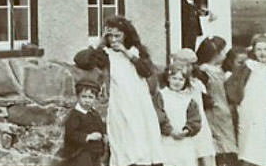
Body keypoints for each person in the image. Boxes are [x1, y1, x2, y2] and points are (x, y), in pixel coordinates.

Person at [74, 16, 164, 166]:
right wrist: (101, 42)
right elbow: (81, 59)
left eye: (118, 36)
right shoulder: (106, 54)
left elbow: (147, 71)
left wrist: (126, 53)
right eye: (110, 36)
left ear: (126, 35)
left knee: (143, 135)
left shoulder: (135, 51)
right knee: (123, 137)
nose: (114, 40)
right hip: (120, 100)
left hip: (139, 100)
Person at [225, 34, 266, 166]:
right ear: (253, 50)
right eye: (259, 49)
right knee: (249, 145)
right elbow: (232, 85)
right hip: (250, 112)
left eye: (265, 49)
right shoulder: (248, 67)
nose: (262, 53)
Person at [196, 38, 237, 166]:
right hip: (214, 114)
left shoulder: (219, 70)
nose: (225, 53)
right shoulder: (204, 71)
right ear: (216, 53)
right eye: (223, 50)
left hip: (223, 113)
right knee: (220, 147)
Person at [172, 48, 217, 166]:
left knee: (204, 153)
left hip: (199, 124)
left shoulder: (196, 84)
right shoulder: (176, 83)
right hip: (184, 124)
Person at [154, 62, 202, 166]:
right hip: (166, 139)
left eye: (181, 79)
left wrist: (187, 130)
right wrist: (170, 131)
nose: (177, 82)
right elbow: (159, 115)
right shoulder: (161, 95)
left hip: (184, 141)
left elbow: (195, 119)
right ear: (168, 78)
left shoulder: (189, 99)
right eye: (174, 78)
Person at [60, 78, 107, 166]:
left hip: (94, 151)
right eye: (84, 96)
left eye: (90, 97)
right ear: (78, 97)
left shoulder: (94, 113)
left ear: (95, 99)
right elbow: (71, 134)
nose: (87, 100)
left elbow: (100, 126)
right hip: (80, 152)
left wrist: (103, 135)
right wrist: (88, 136)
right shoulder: (75, 115)